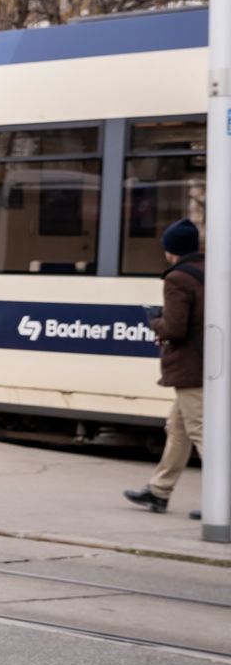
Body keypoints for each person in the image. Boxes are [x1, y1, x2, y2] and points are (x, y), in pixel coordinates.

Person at [125, 217, 205, 515]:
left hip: (190, 366)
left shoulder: (177, 278)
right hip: (205, 362)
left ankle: (222, 502)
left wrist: (154, 321)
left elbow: (174, 328)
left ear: (171, 250)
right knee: (178, 427)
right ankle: (159, 491)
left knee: (202, 431)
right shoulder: (206, 271)